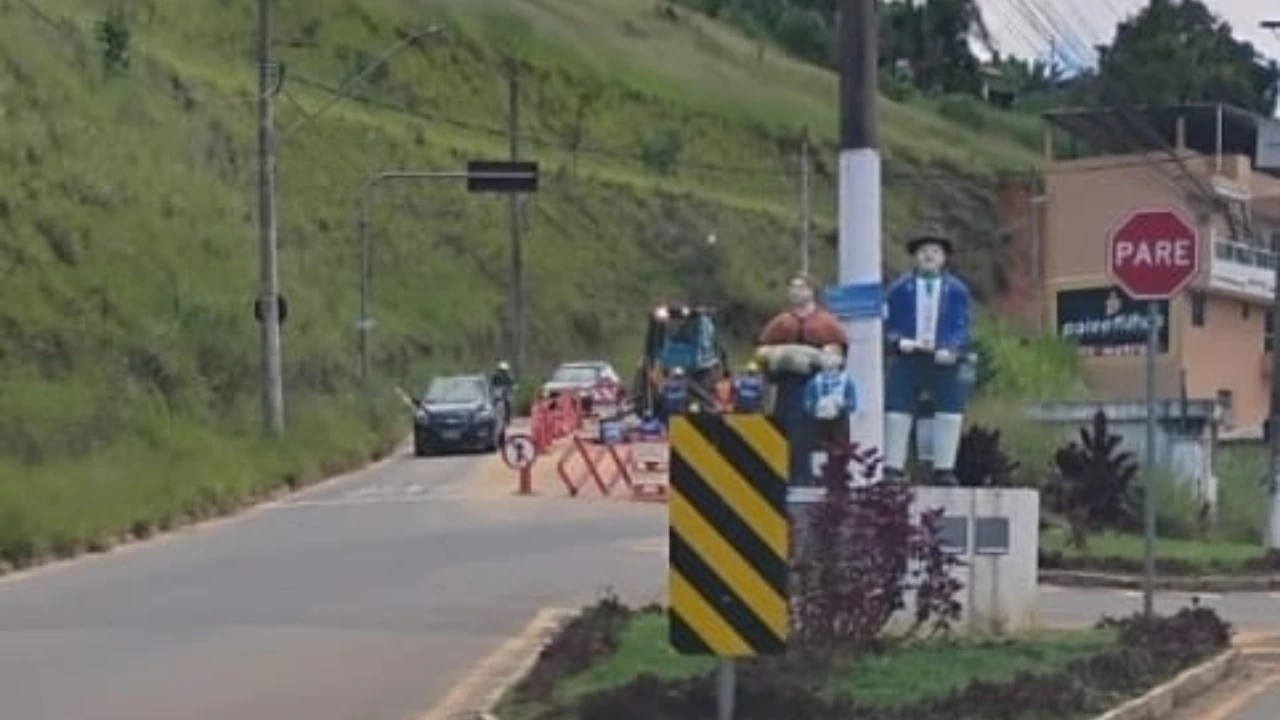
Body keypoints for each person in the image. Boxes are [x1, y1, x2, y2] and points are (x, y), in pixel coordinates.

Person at [883, 226, 972, 486]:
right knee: (898, 408)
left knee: (949, 409)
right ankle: (893, 466)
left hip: (943, 358)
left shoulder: (957, 290)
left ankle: (945, 467)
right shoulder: (899, 289)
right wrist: (899, 341)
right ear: (915, 257)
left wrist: (953, 347)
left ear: (944, 258)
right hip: (909, 356)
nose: (929, 256)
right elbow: (888, 324)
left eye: (935, 251)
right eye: (923, 252)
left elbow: (962, 325)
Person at [803, 345, 857, 427]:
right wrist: (817, 405)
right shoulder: (814, 382)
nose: (826, 358)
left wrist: (841, 404)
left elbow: (853, 405)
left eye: (830, 355)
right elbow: (807, 404)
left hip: (840, 423)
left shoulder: (846, 381)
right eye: (823, 355)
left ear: (840, 359)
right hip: (818, 424)